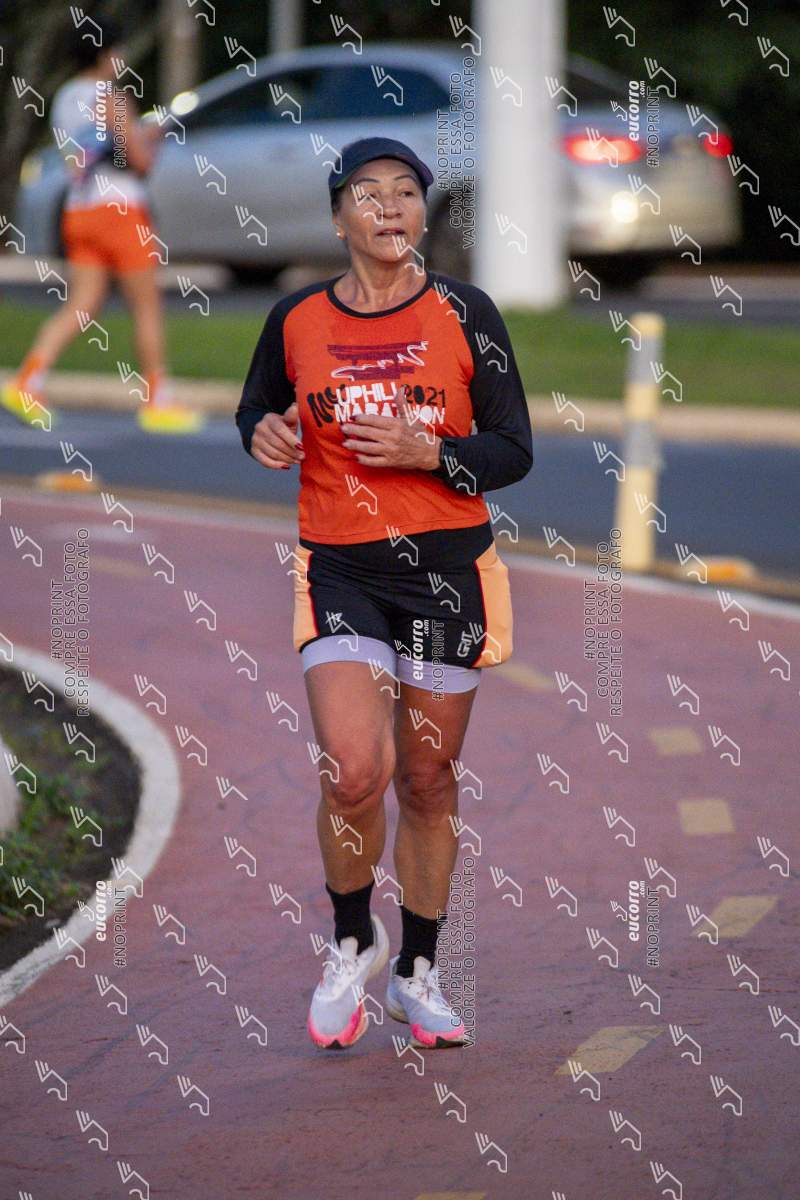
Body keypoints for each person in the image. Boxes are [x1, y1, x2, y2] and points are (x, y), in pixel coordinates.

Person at [236, 136, 533, 1050]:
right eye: (370, 194)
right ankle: (352, 940)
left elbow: (513, 449)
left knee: (427, 778)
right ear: (339, 218)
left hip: (446, 573)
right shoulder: (296, 318)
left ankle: (418, 972)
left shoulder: (467, 312)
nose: (392, 208)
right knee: (354, 770)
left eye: (407, 193)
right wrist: (264, 434)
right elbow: (256, 409)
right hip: (341, 568)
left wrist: (429, 452)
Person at [1, 16, 202, 434]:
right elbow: (134, 161)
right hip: (121, 209)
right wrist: (149, 140)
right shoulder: (111, 96)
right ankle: (157, 400)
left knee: (82, 303)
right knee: (146, 306)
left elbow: (84, 151)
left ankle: (28, 380)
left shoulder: (64, 96)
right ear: (106, 53)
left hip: (79, 210)